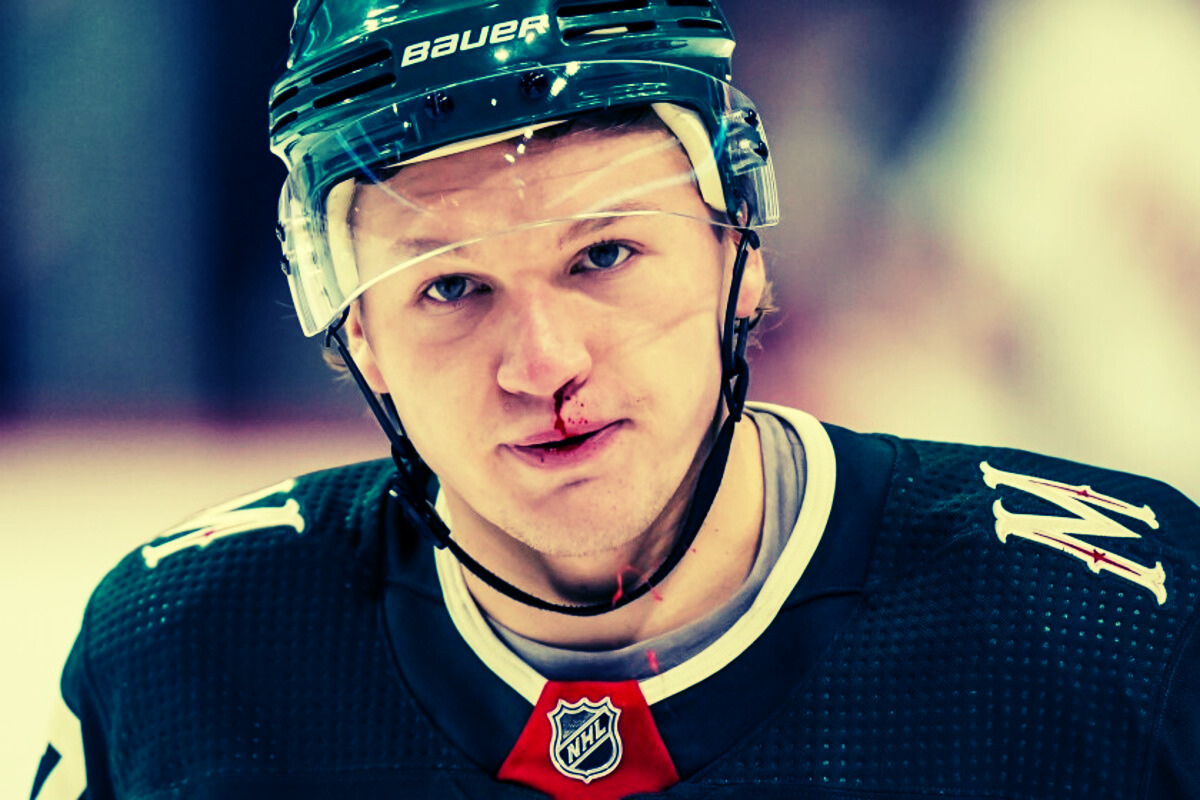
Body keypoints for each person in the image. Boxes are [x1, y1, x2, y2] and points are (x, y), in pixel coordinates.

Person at [31, 1, 1200, 798]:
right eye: (449, 285)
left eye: (603, 256)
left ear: (740, 247)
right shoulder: (177, 659)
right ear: (357, 334)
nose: (541, 361)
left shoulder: (1118, 623)